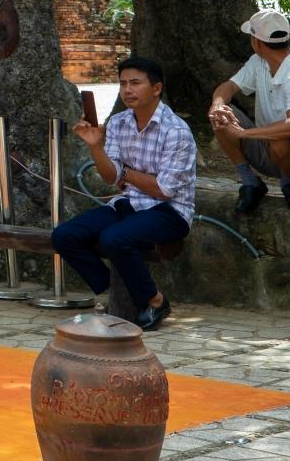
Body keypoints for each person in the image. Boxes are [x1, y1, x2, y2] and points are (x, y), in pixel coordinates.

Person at [52, 56, 195, 331]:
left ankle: (155, 301)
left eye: (135, 83)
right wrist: (95, 146)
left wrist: (126, 173)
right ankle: (115, 292)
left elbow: (164, 190)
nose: (127, 89)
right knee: (64, 236)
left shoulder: (177, 131)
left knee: (114, 238)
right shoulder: (118, 122)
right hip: (129, 203)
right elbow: (110, 177)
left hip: (171, 211)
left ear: (156, 88)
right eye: (123, 83)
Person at [210, 8, 290, 214]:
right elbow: (227, 87)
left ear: (256, 42)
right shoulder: (258, 62)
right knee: (222, 115)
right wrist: (217, 105)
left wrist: (244, 133)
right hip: (267, 151)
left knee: (281, 135)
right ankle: (250, 181)